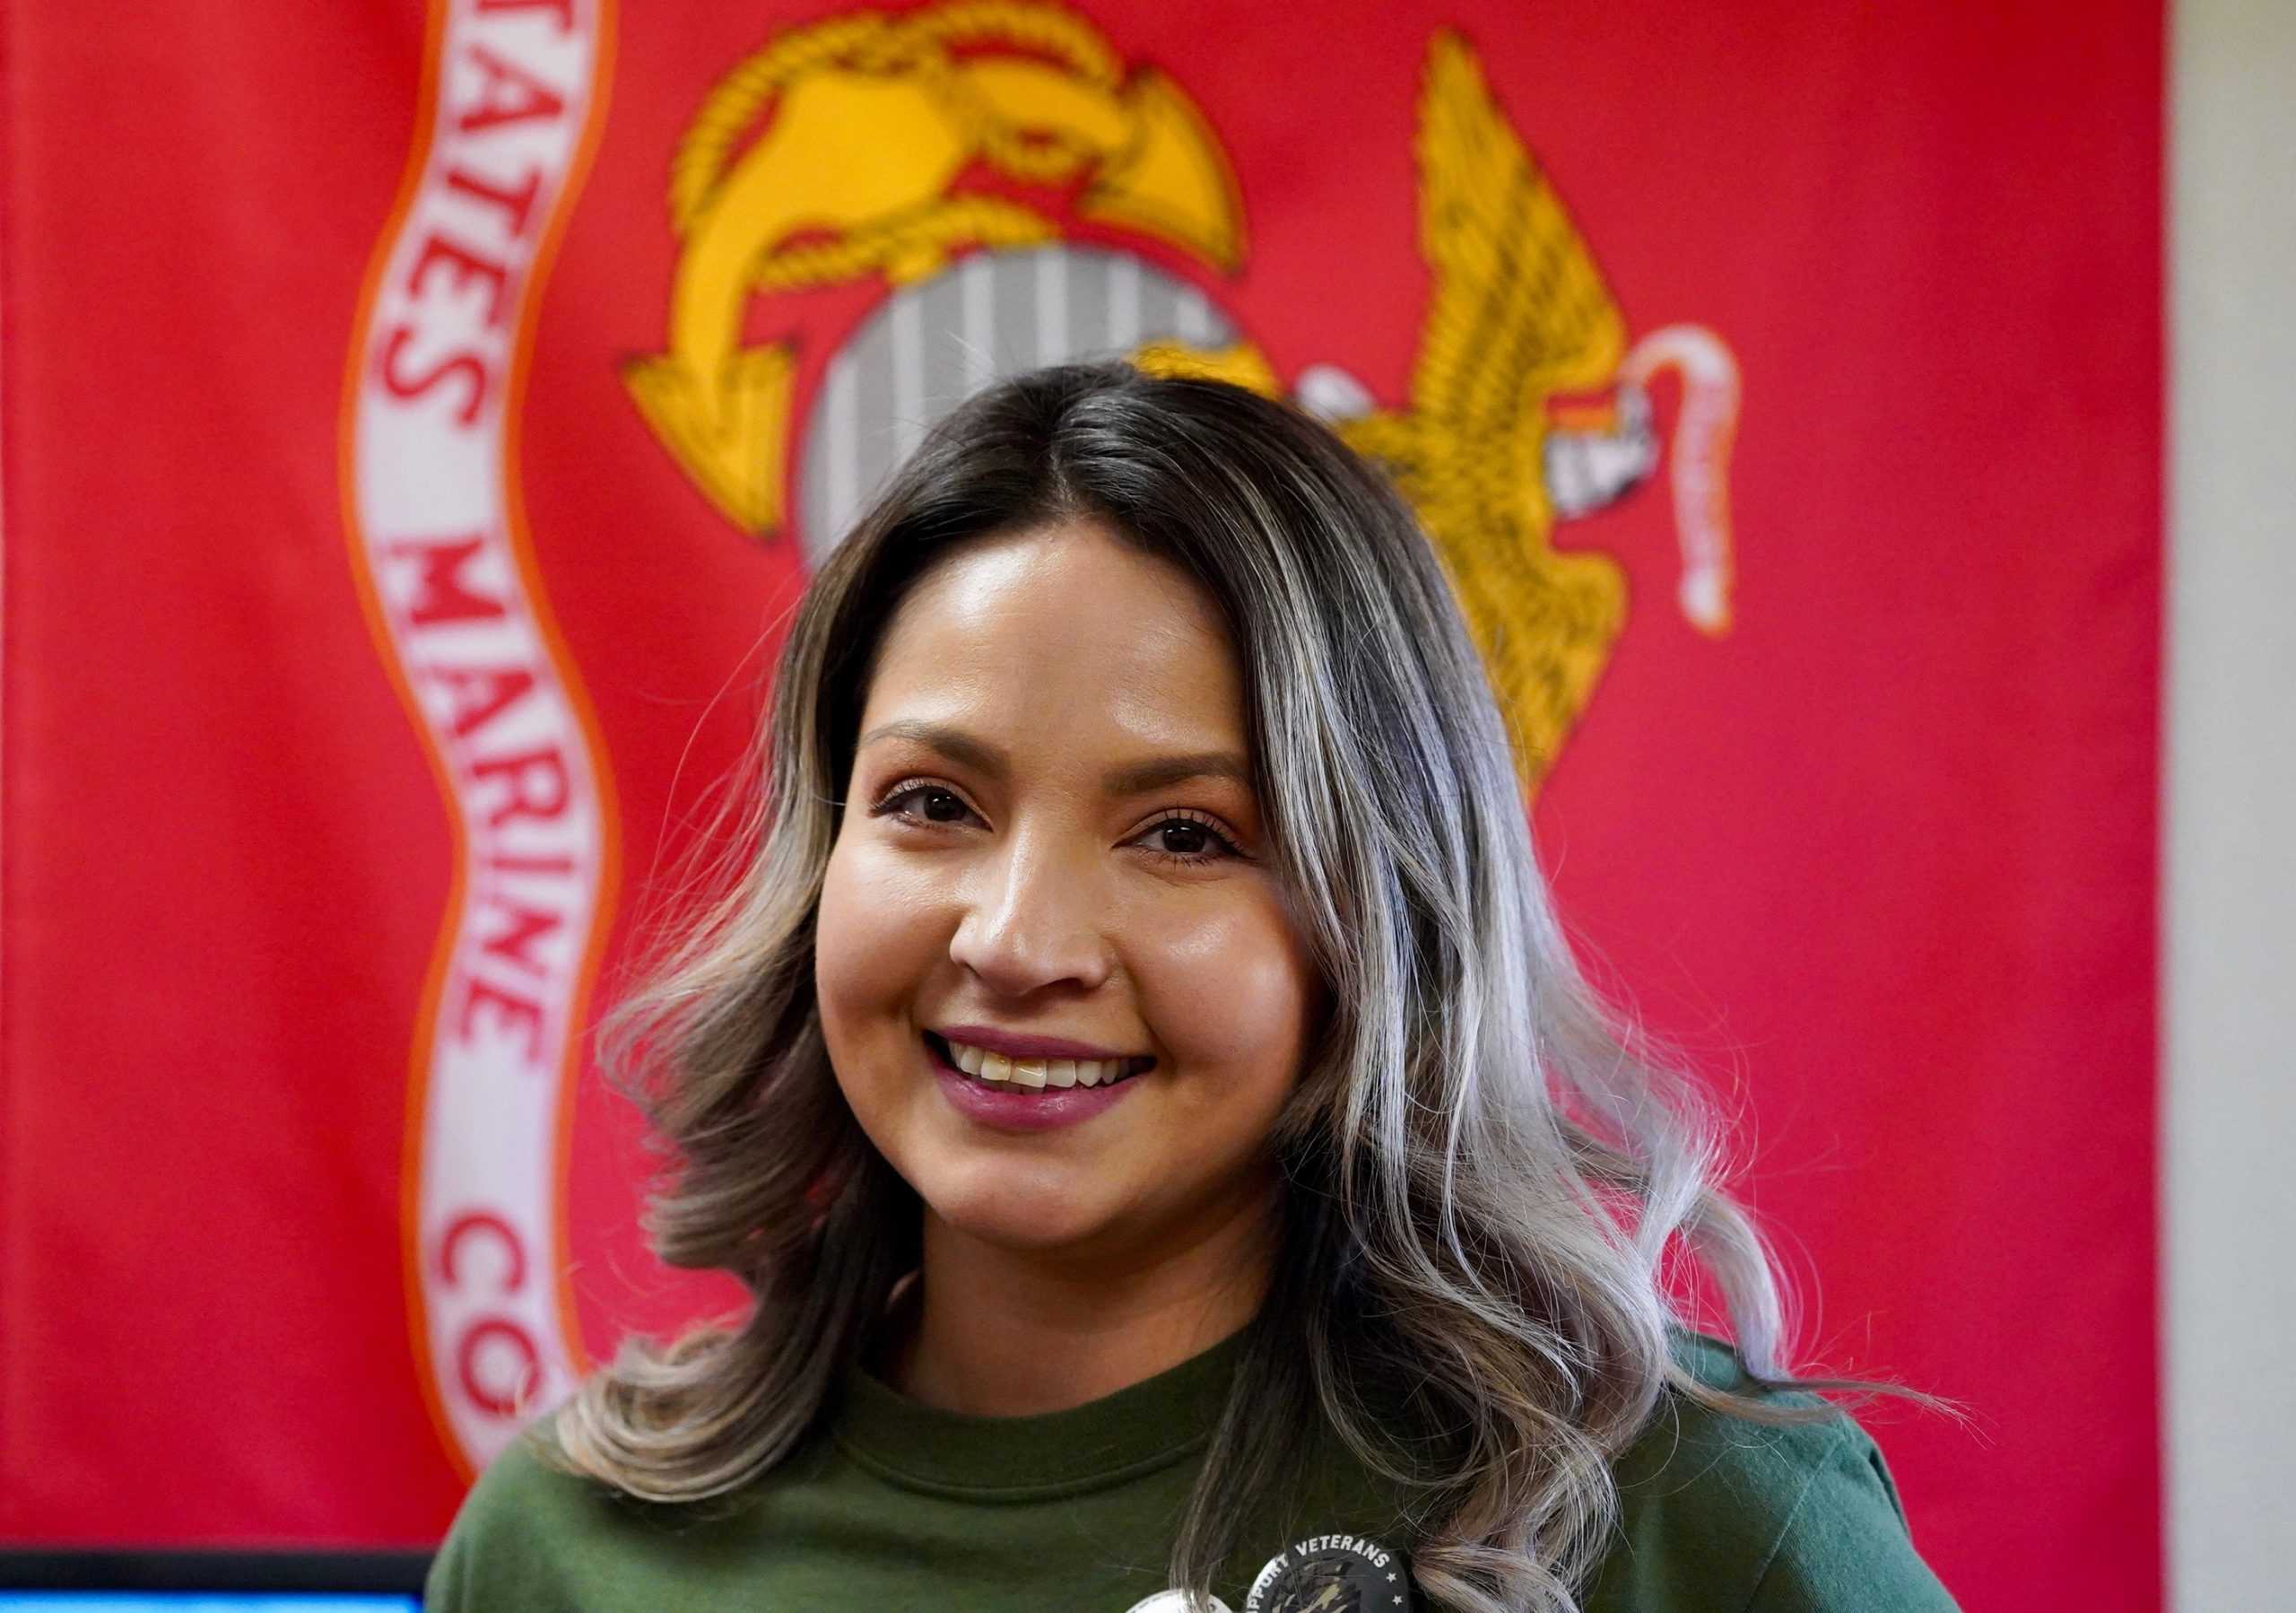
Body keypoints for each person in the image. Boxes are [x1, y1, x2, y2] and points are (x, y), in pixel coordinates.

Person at [425, 362, 1959, 1612]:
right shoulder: (565, 1547)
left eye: (1184, 833)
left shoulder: (1697, 1527)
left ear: (1378, 915)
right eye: (931, 804)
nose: (1018, 941)